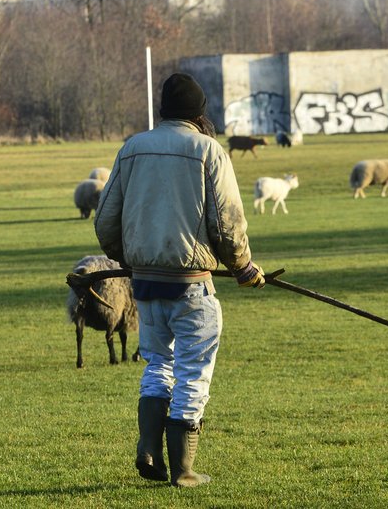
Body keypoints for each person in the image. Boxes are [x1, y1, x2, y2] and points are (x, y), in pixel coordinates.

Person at [94, 73, 264, 488]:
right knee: (193, 371)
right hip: (192, 284)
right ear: (199, 111)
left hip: (146, 285)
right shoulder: (209, 150)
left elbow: (106, 220)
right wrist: (243, 266)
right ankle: (184, 470)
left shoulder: (132, 148)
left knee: (157, 364)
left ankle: (149, 447)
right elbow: (227, 223)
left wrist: (130, 258)